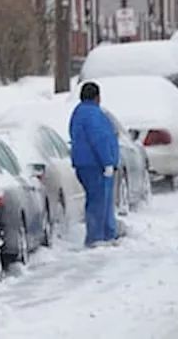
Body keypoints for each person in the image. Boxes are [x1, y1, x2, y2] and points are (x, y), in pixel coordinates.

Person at [68, 81, 121, 247]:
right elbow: (100, 139)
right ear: (97, 96)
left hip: (83, 163)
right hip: (96, 164)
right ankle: (99, 236)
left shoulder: (78, 113)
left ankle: (103, 234)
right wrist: (108, 162)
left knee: (96, 199)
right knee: (100, 200)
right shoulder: (94, 115)